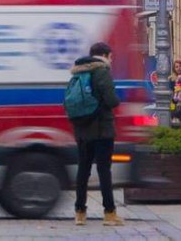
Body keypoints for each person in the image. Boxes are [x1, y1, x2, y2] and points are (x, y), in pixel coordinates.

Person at [70, 42, 123, 227]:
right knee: (103, 170)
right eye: (111, 56)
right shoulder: (102, 71)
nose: (112, 60)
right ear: (105, 55)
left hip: (82, 129)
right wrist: (117, 100)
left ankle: (80, 213)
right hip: (102, 129)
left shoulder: (79, 71)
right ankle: (109, 213)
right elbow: (111, 100)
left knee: (83, 170)